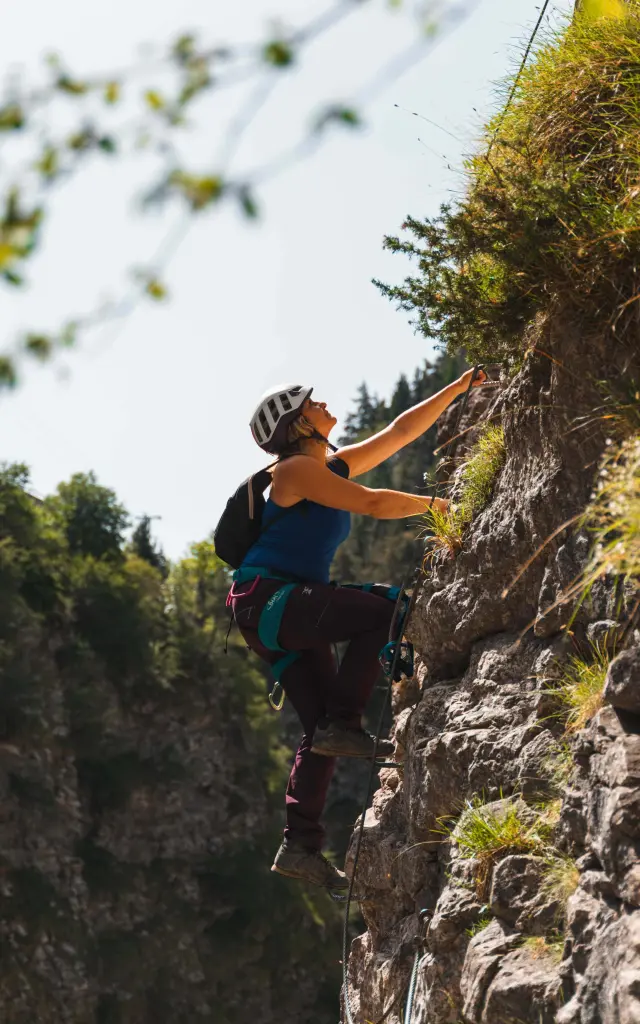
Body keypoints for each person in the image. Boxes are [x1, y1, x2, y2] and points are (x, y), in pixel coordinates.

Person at [229, 370, 487, 890]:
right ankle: (345, 721)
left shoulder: (324, 467)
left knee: (319, 729)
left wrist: (457, 388)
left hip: (273, 609)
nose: (323, 403)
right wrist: (439, 507)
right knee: (386, 610)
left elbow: (397, 434)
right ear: (298, 422)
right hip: (271, 600)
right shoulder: (293, 471)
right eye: (311, 401)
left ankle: (300, 846)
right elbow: (370, 502)